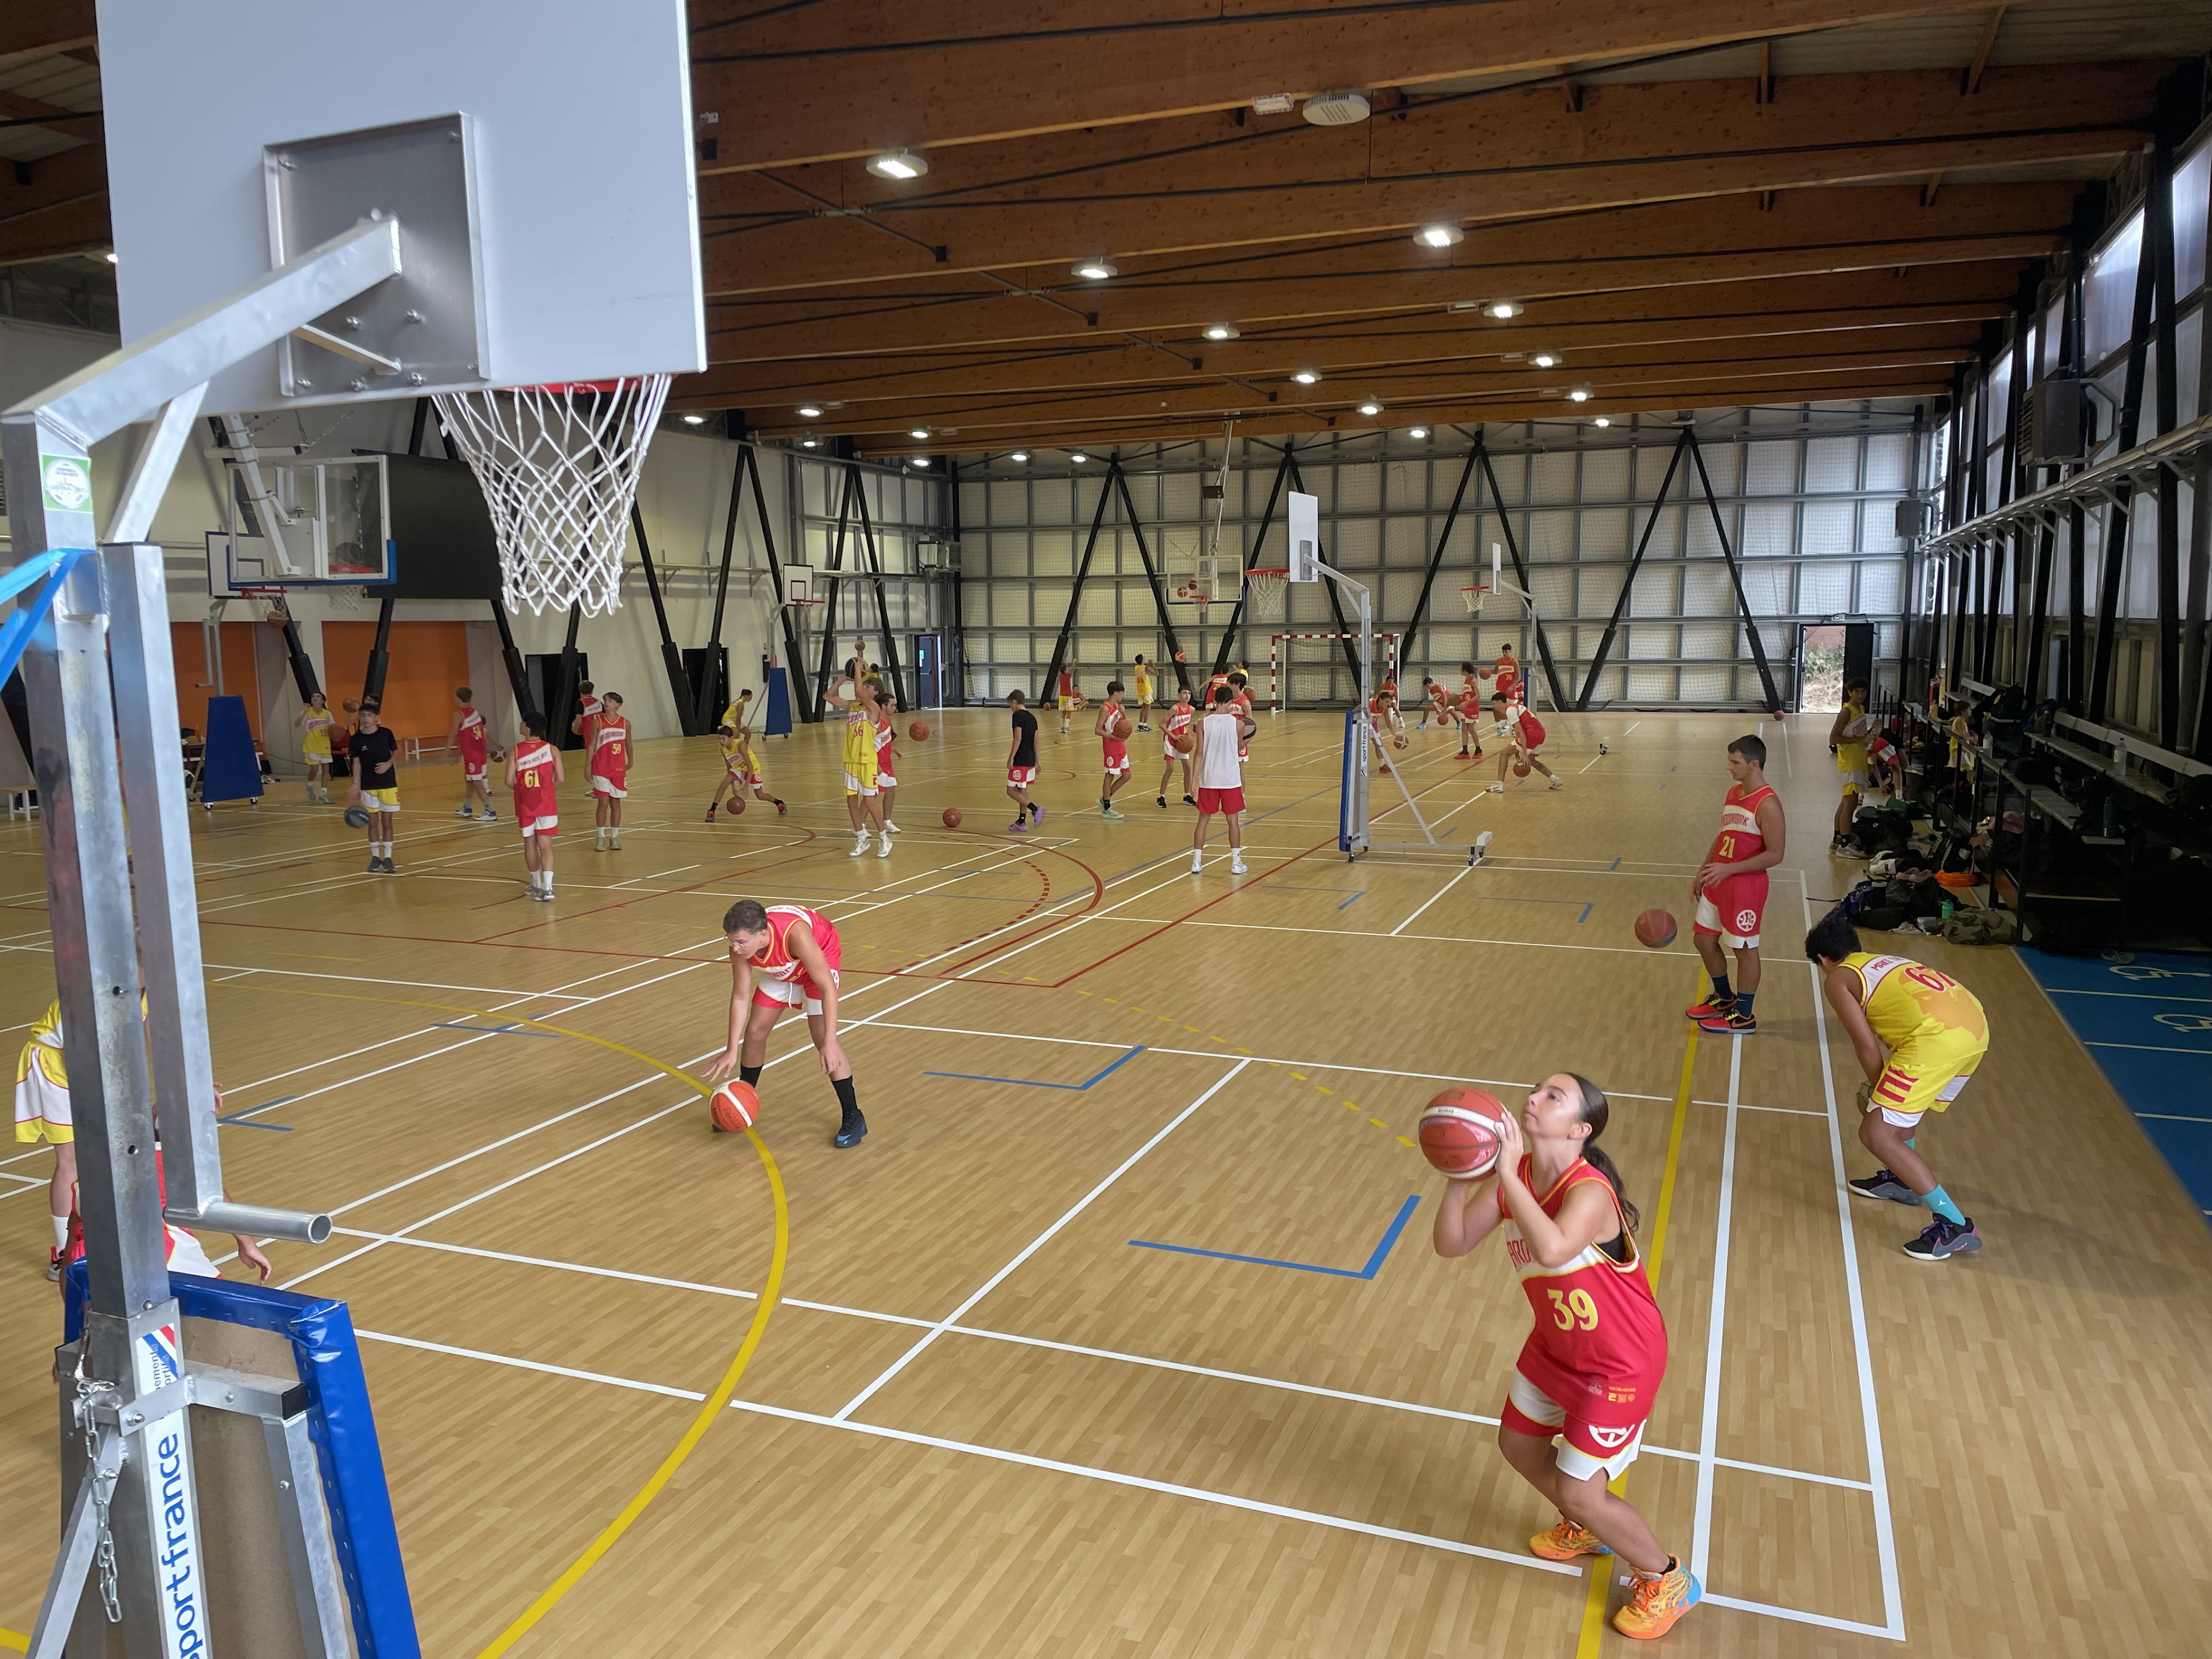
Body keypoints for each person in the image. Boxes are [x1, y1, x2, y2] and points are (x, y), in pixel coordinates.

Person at [1430, 1072, 1699, 1641]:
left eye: (1552, 1097)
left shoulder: (1589, 1192)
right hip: (1555, 1347)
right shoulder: (1518, 1177)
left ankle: (1667, 1576)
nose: (1532, 1098)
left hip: (1618, 1362)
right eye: (1535, 1090)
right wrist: (1458, 1181)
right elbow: (1452, 1244)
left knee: (1581, 1489)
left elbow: (1552, 1249)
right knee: (1517, 1445)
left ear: (1580, 1129)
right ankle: (1587, 1527)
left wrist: (1505, 1174)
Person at [1807, 908, 1991, 1260]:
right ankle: (1903, 1180)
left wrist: (1877, 1092)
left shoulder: (1838, 979)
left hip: (1937, 1040)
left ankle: (1955, 1226)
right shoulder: (1884, 962)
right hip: (1974, 1028)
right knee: (1900, 1115)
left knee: (1876, 1134)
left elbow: (1865, 1044)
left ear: (1823, 959)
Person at [706, 898, 866, 1148]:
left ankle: (853, 1115)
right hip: (785, 967)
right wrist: (731, 1049)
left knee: (822, 1036)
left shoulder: (796, 934)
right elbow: (740, 996)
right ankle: (742, 1100)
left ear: (762, 935)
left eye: (741, 942)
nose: (735, 948)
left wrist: (831, 1041)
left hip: (819, 958)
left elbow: (827, 988)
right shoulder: (740, 947)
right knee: (755, 1032)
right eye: (731, 941)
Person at [1685, 735, 1785, 1037]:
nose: (1729, 767)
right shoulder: (1734, 793)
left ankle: (1744, 1016)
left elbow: (1776, 854)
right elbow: (1723, 836)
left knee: (1744, 949)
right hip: (1719, 880)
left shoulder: (1768, 804)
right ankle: (1724, 996)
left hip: (1745, 887)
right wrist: (1704, 870)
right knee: (1703, 940)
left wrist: (1729, 869)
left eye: (1735, 762)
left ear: (1754, 764)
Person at [1189, 686, 1247, 876]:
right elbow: (1239, 748)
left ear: (1215, 701)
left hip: (1209, 779)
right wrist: (1246, 741)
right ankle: (1236, 863)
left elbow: (1199, 753)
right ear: (1231, 702)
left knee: (1203, 821)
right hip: (1230, 780)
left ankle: (1196, 862)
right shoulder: (1239, 725)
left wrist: (1194, 779)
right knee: (1233, 821)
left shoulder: (1203, 723)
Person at [506, 713, 564, 901]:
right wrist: (546, 791)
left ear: (528, 728)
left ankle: (537, 884)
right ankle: (548, 888)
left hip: (525, 805)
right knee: (546, 845)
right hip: (546, 804)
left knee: (530, 843)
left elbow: (509, 781)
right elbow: (561, 778)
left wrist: (524, 791)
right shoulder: (552, 749)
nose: (520, 725)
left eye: (523, 723)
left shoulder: (515, 750)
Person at [348, 700, 401, 874]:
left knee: (387, 822)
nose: (366, 719)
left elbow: (396, 753)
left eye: (370, 715)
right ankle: (375, 857)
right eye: (362, 715)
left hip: (388, 785)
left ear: (376, 718)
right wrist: (356, 784)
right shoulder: (356, 740)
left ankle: (388, 858)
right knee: (371, 823)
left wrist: (388, 764)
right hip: (368, 786)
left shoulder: (386, 734)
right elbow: (356, 763)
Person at [843, 677, 891, 858]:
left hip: (867, 761)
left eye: (868, 686)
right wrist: (843, 678)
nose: (863, 688)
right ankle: (862, 839)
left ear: (875, 693)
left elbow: (858, 691)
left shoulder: (873, 708)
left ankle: (885, 839)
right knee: (851, 801)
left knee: (870, 801)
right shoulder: (854, 707)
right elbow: (828, 697)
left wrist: (857, 669)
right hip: (851, 760)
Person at [1830, 678, 1874, 857]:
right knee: (1851, 803)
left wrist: (1870, 734)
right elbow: (1833, 738)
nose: (1860, 695)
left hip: (1858, 760)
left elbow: (1859, 735)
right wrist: (1861, 740)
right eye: (1857, 691)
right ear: (1850, 693)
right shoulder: (1846, 712)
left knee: (1846, 802)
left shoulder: (1860, 709)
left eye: (1863, 691)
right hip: (1849, 763)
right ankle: (1845, 844)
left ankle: (1837, 839)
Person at [708, 723, 786, 818]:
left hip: (752, 768)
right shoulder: (723, 750)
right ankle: (712, 810)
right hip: (738, 768)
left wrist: (746, 787)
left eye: (723, 738)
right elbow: (729, 767)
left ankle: (778, 803)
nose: (721, 741)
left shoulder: (740, 745)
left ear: (731, 738)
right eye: (720, 738)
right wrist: (733, 786)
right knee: (724, 784)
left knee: (760, 795)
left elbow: (750, 767)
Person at [1487, 693, 1561, 792]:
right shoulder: (1514, 708)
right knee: (1532, 761)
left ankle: (1499, 785)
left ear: (1500, 702)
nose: (1494, 707)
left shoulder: (1510, 711)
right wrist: (1517, 752)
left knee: (1504, 754)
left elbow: (1522, 734)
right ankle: (1554, 779)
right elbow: (1519, 733)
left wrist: (1524, 754)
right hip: (1540, 734)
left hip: (1531, 734)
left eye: (1494, 704)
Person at [448, 686, 498, 823]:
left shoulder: (459, 715)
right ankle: (467, 807)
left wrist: (446, 751)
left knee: (477, 782)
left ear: (458, 698)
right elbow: (468, 736)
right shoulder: (474, 713)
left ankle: (490, 811)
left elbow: (452, 734)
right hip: (478, 753)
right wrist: (459, 753)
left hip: (473, 755)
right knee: (469, 779)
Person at [1006, 689, 1042, 832]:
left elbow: (1018, 738)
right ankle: (1021, 822)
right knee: (1022, 790)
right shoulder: (1032, 718)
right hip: (1030, 760)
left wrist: (1011, 758)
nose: (1011, 707)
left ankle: (1035, 809)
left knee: (1011, 791)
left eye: (1010, 704)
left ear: (1015, 702)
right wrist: (1037, 762)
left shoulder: (1017, 716)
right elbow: (1036, 742)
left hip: (1020, 759)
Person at [1096, 680, 1132, 818]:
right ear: (1116, 693)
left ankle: (1105, 798)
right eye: (1122, 693)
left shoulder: (1117, 706)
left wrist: (1124, 714)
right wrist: (1113, 737)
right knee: (1110, 775)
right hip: (1111, 746)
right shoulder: (1105, 709)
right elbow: (1098, 730)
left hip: (1121, 745)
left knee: (1127, 775)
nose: (1123, 696)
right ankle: (1107, 807)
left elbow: (1123, 725)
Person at [1157, 686, 1196, 808]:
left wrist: (1189, 737)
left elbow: (1186, 725)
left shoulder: (1192, 709)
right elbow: (1162, 724)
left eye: (1189, 693)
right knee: (1170, 769)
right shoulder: (1175, 709)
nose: (1187, 695)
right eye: (1184, 693)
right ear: (1179, 695)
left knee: (1188, 768)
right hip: (1171, 741)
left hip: (1182, 741)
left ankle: (1187, 796)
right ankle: (1161, 797)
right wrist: (1173, 736)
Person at [873, 689, 903, 835]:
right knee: (872, 795)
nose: (895, 708)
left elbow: (884, 741)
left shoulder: (888, 721)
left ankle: (887, 822)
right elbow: (868, 743)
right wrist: (875, 763)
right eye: (892, 705)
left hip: (887, 762)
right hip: (877, 763)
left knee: (891, 789)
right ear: (883, 706)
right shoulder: (876, 722)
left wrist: (892, 748)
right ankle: (860, 826)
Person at [296, 690, 334, 804]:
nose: (315, 698)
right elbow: (297, 724)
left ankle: (324, 794)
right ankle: (309, 784)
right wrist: (304, 712)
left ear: (323, 701)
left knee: (326, 770)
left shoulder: (327, 714)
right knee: (314, 770)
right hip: (311, 745)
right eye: (313, 696)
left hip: (324, 745)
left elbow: (333, 728)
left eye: (318, 696)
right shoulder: (308, 712)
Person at [1131, 654, 1154, 731]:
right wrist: (1152, 664)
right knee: (1148, 707)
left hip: (1140, 690)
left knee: (1143, 707)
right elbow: (1157, 673)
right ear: (1142, 660)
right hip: (1146, 689)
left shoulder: (1136, 668)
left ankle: (1140, 725)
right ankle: (1145, 725)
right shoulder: (1145, 668)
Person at [1057, 664, 1081, 734]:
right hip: (1068, 696)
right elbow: (1073, 669)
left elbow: (1065, 670)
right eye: (1067, 668)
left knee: (1064, 712)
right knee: (1069, 712)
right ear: (1065, 670)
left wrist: (1066, 664)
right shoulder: (1068, 676)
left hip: (1061, 696)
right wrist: (1074, 663)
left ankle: (1062, 728)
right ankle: (1066, 727)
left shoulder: (1060, 676)